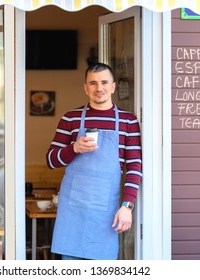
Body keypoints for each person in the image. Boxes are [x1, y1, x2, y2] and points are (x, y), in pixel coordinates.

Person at [46, 62, 142, 260]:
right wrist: (74, 148)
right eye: (93, 83)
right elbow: (50, 160)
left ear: (113, 86)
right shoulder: (70, 119)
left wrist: (127, 206)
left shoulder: (128, 122)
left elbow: (134, 167)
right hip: (73, 212)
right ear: (85, 88)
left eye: (104, 82)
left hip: (105, 215)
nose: (99, 88)